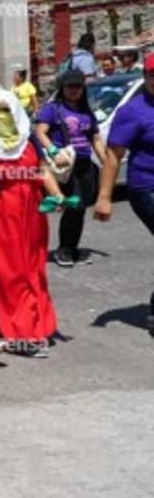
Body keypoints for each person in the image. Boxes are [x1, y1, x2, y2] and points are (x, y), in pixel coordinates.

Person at [0, 91, 57, 351]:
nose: (3, 120)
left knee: (32, 267)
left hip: (32, 213)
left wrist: (58, 196)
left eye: (7, 113)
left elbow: (42, 168)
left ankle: (16, 321)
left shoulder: (28, 139)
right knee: (9, 271)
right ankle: (20, 331)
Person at [95, 52, 154, 333]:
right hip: (146, 187)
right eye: (153, 76)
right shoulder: (132, 111)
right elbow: (113, 157)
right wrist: (104, 198)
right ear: (145, 78)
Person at [34, 69, 106, 266]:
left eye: (78, 86)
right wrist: (53, 152)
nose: (74, 90)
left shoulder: (86, 112)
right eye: (70, 86)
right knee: (75, 205)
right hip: (66, 165)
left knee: (81, 208)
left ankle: (72, 248)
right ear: (62, 88)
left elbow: (95, 138)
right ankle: (64, 249)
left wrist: (106, 161)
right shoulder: (52, 109)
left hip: (85, 165)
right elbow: (40, 132)